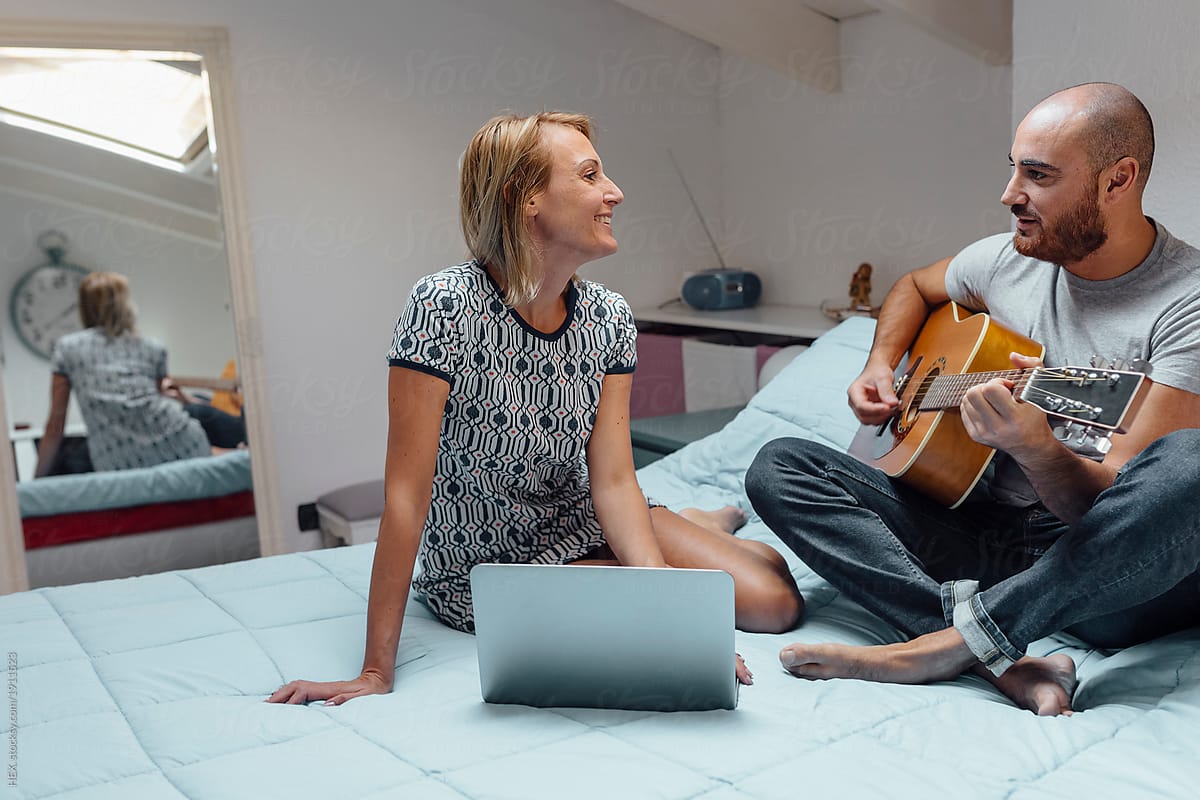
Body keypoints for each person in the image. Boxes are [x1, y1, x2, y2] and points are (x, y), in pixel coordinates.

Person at [269, 111, 804, 706]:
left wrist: (669, 606)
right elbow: (404, 497)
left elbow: (615, 479)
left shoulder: (609, 315)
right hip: (493, 565)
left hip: (585, 517)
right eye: (590, 175)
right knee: (730, 604)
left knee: (778, 602)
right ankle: (698, 524)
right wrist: (375, 671)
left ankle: (699, 523)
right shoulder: (443, 309)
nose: (615, 192)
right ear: (525, 198)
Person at [745, 82, 1200, 716]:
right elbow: (912, 286)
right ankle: (997, 657)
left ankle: (946, 645)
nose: (1011, 194)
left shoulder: (1188, 304)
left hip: (1100, 577)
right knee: (781, 465)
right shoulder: (1009, 259)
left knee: (1193, 463)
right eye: (1014, 168)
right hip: (977, 527)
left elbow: (1121, 519)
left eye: (1037, 175)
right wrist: (880, 365)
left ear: (1117, 181)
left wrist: (1035, 448)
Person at [35, 271, 244, 476]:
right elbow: (147, 411)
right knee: (204, 421)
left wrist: (35, 482)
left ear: (85, 307)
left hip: (116, 459)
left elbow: (55, 424)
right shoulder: (152, 347)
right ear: (125, 305)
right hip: (181, 438)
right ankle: (242, 453)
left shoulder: (67, 348)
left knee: (202, 411)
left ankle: (240, 453)